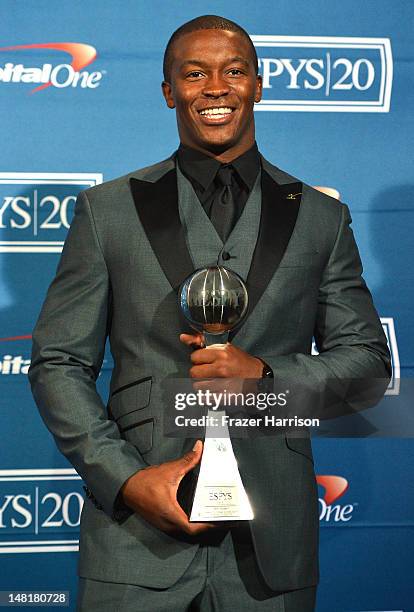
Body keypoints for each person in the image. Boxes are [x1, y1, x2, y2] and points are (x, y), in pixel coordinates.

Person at [28, 14, 391, 612]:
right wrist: (126, 480)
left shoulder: (321, 219)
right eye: (195, 73)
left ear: (258, 83)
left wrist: (268, 377)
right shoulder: (105, 211)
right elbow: (59, 364)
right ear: (170, 91)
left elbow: (368, 365)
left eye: (233, 71)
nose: (215, 87)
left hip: (272, 548)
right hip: (134, 545)